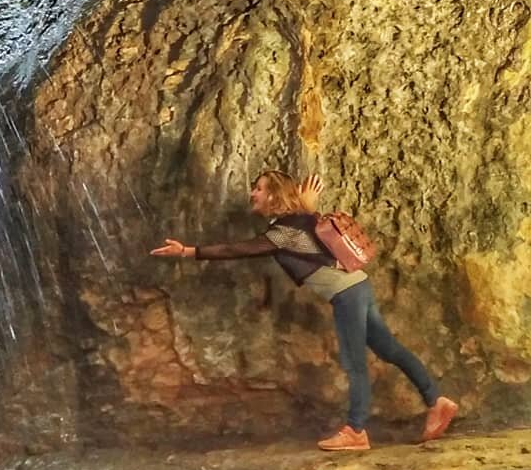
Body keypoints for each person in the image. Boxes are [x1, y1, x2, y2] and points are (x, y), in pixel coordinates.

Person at [151, 170, 458, 451]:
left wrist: (188, 252)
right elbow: (315, 235)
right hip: (357, 285)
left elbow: (239, 250)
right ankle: (437, 401)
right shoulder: (299, 220)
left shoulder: (285, 230)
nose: (252, 194)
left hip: (346, 293)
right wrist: (307, 207)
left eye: (258, 189)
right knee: (389, 348)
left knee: (354, 362)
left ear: (273, 196)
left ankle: (356, 430)